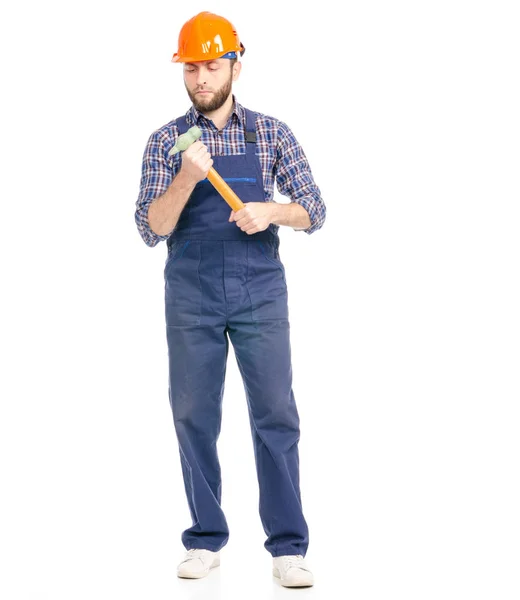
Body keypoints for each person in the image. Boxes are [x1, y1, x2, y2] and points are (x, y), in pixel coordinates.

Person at [134, 11, 326, 588]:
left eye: (211, 66)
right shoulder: (166, 141)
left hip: (259, 290)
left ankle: (288, 546)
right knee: (193, 414)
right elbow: (150, 228)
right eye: (191, 67)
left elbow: (314, 209)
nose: (200, 79)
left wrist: (271, 211)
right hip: (190, 292)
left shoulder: (272, 133)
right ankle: (204, 539)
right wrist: (187, 178)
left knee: (275, 413)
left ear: (235, 66)